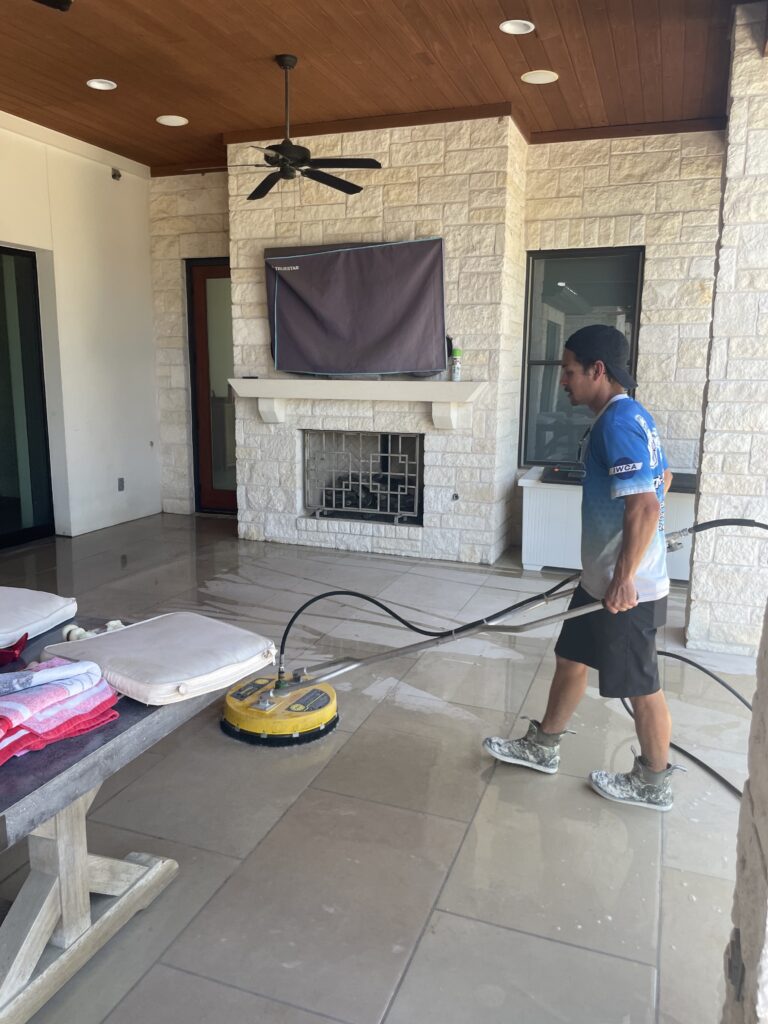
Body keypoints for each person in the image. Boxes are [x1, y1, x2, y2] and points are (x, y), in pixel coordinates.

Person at [484, 324, 684, 811]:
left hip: (624, 587)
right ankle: (544, 745)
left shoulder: (617, 421)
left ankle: (654, 782)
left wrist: (623, 578)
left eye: (569, 372)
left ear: (599, 370)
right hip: (607, 577)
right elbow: (661, 483)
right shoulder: (632, 416)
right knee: (571, 658)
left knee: (640, 686)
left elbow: (644, 507)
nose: (563, 382)